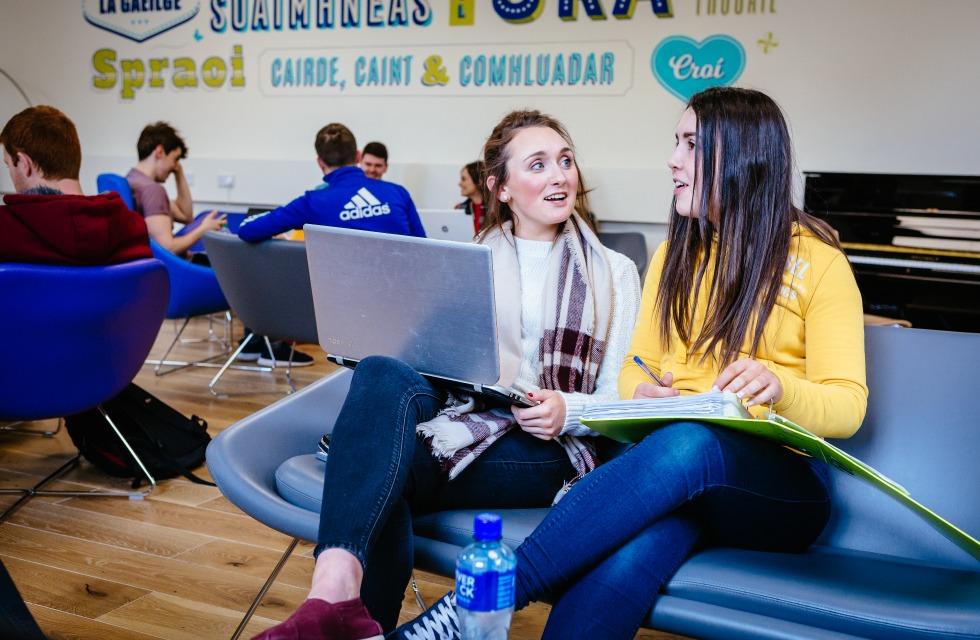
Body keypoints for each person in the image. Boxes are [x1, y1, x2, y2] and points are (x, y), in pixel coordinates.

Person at [252, 109, 642, 640]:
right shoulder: (472, 257)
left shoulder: (614, 271)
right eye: (538, 164)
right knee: (382, 369)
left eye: (565, 161)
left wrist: (567, 410)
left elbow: (619, 398)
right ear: (500, 187)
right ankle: (336, 595)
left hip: (549, 447)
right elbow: (439, 365)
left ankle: (339, 608)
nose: (559, 176)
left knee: (383, 465)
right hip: (471, 418)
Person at [498, 87, 868, 639]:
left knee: (692, 442)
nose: (672, 159)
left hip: (778, 489)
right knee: (633, 549)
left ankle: (485, 598)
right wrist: (642, 393)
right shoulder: (676, 253)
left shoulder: (820, 261)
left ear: (743, 156)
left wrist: (779, 387)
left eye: (691, 144)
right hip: (681, 479)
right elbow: (636, 368)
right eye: (676, 142)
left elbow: (848, 405)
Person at [1, 105, 151, 265]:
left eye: (8, 165)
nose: (10, 173)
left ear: (24, 164)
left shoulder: (6, 230)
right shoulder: (133, 230)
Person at [238, 124, 424, 241]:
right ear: (358, 156)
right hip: (403, 299)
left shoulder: (312, 203)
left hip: (340, 300)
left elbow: (246, 229)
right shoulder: (398, 193)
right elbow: (424, 248)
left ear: (320, 163)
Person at [126, 122, 224, 257]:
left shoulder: (131, 180)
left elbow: (186, 215)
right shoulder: (152, 190)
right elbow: (168, 248)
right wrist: (204, 229)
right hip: (170, 271)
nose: (175, 166)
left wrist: (179, 174)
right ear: (160, 152)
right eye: (175, 159)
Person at [454, 160, 486, 234]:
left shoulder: (495, 211)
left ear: (479, 181)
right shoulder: (458, 209)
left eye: (464, 179)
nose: (459, 183)